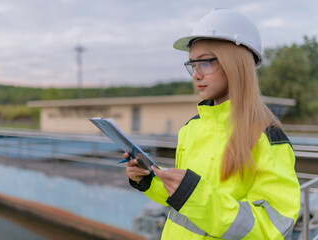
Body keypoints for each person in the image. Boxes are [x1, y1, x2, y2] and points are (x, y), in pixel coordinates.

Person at [124, 8, 300, 240]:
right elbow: (182, 206)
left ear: (235, 64)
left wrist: (194, 195)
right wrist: (148, 180)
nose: (196, 75)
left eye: (205, 63)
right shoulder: (190, 129)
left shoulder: (268, 138)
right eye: (192, 65)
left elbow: (272, 228)